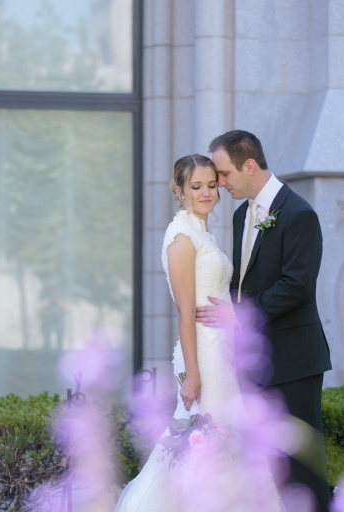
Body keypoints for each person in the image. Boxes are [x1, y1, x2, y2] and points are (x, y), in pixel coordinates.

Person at [115, 155, 281, 511]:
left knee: (228, 439)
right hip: (203, 355)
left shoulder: (202, 232)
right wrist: (192, 374)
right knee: (204, 440)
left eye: (210, 185)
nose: (206, 192)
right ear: (179, 191)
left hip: (222, 353)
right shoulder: (181, 237)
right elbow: (185, 310)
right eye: (196, 187)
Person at [196, 130, 332, 512]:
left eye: (224, 174)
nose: (220, 184)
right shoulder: (243, 215)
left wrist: (237, 313)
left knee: (302, 465)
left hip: (294, 360)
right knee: (267, 461)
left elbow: (297, 286)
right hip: (256, 359)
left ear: (250, 165)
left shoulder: (300, 214)